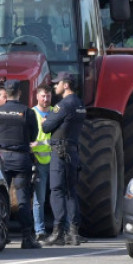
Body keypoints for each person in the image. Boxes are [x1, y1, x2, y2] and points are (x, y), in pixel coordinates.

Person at [0, 80, 41, 249]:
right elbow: (34, 136)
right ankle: (27, 238)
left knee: (0, 198)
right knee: (23, 199)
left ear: (6, 92)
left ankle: (1, 236)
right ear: (20, 93)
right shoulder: (27, 112)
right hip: (21, 159)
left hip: (3, 158)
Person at [42, 72, 86, 246]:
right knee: (71, 192)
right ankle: (73, 233)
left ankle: (58, 232)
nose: (54, 86)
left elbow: (46, 127)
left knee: (57, 191)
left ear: (66, 85)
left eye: (57, 83)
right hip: (73, 151)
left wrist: (48, 119)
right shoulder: (80, 104)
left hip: (59, 153)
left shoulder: (64, 105)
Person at [31, 84, 54, 243]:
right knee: (39, 199)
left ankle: (63, 228)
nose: (45, 99)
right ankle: (39, 230)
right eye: (43, 96)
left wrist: (41, 144)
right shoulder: (31, 113)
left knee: (59, 196)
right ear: (37, 96)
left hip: (55, 161)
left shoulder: (56, 112)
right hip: (38, 161)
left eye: (48, 96)